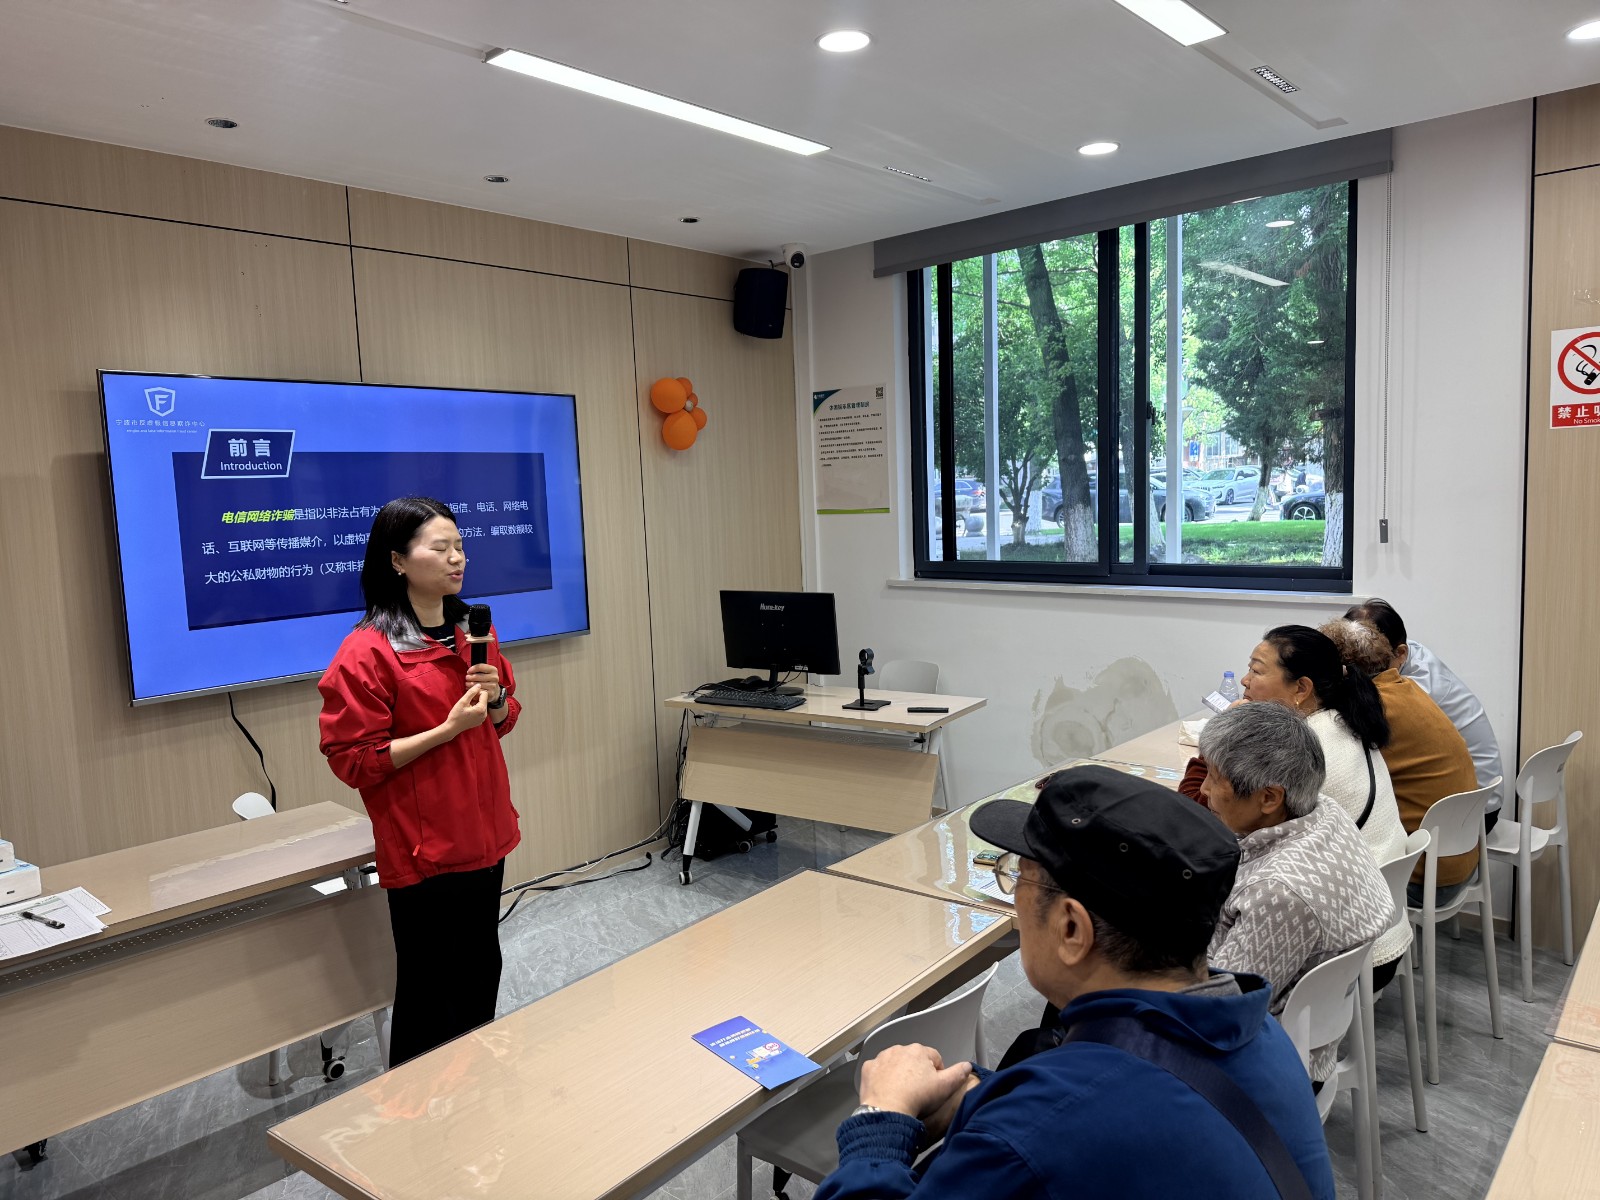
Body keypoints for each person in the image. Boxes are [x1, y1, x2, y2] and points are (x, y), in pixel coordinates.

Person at [814, 765, 1334, 1200]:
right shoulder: (1261, 1036)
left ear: (1070, 928)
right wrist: (987, 1094)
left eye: (1016, 874)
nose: (1012, 893)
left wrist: (880, 1120)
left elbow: (1063, 1129)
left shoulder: (1029, 1138)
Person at [318, 497, 522, 1068]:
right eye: (440, 548)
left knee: (480, 973)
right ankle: (415, 1113)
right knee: (431, 993)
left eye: (460, 546)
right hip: (425, 850)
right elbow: (353, 759)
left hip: (485, 836)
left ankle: (473, 1095)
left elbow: (503, 719)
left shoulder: (474, 631)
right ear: (397, 561)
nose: (457, 559)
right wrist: (446, 729)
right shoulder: (367, 652)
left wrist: (497, 700)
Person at [1199, 703, 1394, 1082]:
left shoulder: (1279, 893)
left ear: (1269, 798)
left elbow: (1220, 1014)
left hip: (1264, 1063)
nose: (1204, 788)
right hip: (1298, 1024)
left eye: (1214, 777)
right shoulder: (1325, 812)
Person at [1234, 625, 1411, 991]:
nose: (1244, 681)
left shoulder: (1303, 751)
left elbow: (1232, 834)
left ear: (1302, 688)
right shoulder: (1342, 721)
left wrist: (1227, 736)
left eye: (1256, 670)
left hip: (1350, 957)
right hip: (1379, 927)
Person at [1322, 617, 1480, 907]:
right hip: (1458, 863)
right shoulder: (1407, 688)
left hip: (1421, 879)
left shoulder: (1372, 710)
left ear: (1339, 671)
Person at [1344, 598, 1505, 830]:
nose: (1360, 671)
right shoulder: (1401, 653)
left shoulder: (1419, 686)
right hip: (1463, 801)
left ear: (1400, 653)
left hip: (1472, 815)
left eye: (1367, 661)